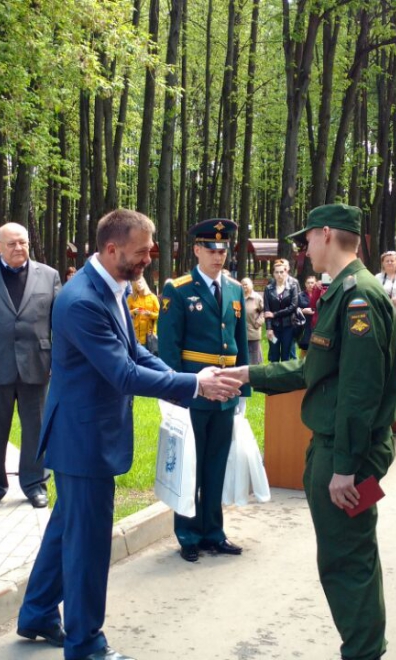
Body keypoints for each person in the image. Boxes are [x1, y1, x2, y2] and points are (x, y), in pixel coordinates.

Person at [15, 209, 240, 660]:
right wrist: (195, 385)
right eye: (141, 253)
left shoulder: (111, 287)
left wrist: (180, 376)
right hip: (84, 442)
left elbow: (134, 349)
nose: (148, 260)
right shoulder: (82, 300)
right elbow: (121, 373)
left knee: (66, 532)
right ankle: (86, 645)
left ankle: (39, 612)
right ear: (112, 248)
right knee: (88, 547)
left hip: (89, 436)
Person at [224, 203, 396, 660]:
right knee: (348, 556)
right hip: (339, 449)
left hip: (346, 455)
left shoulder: (358, 295)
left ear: (326, 234)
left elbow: (360, 391)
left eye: (307, 240)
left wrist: (344, 467)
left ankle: (362, 652)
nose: (303, 250)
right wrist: (249, 375)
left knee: (347, 561)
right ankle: (365, 648)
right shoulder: (344, 290)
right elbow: (315, 370)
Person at [158, 218, 251, 563]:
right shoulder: (179, 289)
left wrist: (241, 391)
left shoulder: (235, 289)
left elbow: (239, 343)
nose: (219, 255)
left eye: (223, 249)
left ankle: (214, 531)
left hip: (225, 392)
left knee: (215, 467)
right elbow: (169, 347)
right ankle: (188, 533)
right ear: (197, 250)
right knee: (190, 467)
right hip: (194, 390)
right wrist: (176, 393)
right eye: (212, 249)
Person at [0, 222, 61, 510]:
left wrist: (57, 360)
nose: (19, 248)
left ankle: (34, 484)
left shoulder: (49, 275)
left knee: (36, 429)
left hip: (37, 364)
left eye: (23, 242)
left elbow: (59, 324)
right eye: (12, 243)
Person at [264, 258, 301, 362]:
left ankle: (284, 378)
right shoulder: (268, 289)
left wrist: (274, 314)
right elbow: (267, 311)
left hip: (288, 326)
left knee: (286, 356)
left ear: (286, 272)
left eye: (281, 272)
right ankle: (273, 378)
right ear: (273, 274)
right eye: (276, 272)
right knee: (274, 356)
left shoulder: (292, 287)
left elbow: (293, 307)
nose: (279, 274)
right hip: (274, 328)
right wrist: (268, 328)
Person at [127, 276, 160, 349]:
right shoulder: (131, 298)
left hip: (150, 336)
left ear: (144, 283)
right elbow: (124, 313)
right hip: (136, 336)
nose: (138, 285)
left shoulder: (153, 297)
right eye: (136, 284)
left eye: (140, 282)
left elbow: (160, 315)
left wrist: (150, 314)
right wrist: (134, 312)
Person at [242, 277, 265, 365]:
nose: (244, 286)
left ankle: (255, 374)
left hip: (253, 331)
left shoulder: (257, 298)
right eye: (242, 284)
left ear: (251, 285)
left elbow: (264, 311)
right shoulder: (238, 296)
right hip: (241, 332)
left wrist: (258, 322)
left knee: (255, 357)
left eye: (246, 284)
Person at [297, 275, 319, 350]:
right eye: (308, 283)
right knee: (305, 348)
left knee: (316, 347)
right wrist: (302, 310)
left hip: (317, 325)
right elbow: (294, 309)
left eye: (312, 283)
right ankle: (302, 362)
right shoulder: (300, 296)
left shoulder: (321, 294)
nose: (310, 285)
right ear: (305, 284)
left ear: (315, 283)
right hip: (305, 326)